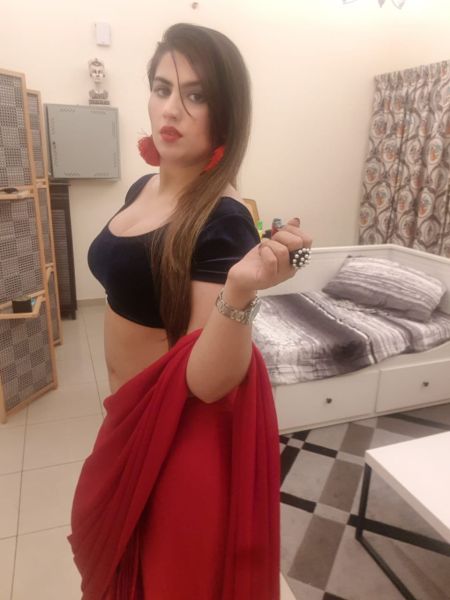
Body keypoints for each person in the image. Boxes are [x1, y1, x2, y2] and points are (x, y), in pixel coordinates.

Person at [68, 23, 312, 600]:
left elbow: (207, 381)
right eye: (162, 88)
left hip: (176, 436)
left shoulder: (222, 218)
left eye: (196, 95)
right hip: (127, 418)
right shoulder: (141, 189)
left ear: (224, 115)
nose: (171, 108)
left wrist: (240, 291)